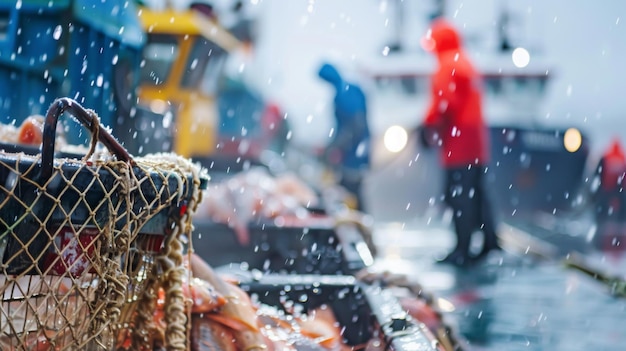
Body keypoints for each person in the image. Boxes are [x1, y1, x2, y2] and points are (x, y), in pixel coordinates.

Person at [419, 18, 500, 266]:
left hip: (458, 144)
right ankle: (489, 244)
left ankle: (462, 249)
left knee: (459, 196)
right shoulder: (467, 63)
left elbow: (445, 103)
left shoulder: (446, 65)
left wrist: (428, 125)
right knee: (477, 194)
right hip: (475, 142)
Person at [318, 62, 371, 212]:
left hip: (353, 152)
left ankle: (359, 224)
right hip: (358, 149)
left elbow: (354, 125)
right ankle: (361, 223)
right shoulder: (350, 89)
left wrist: (337, 147)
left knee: (351, 192)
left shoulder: (344, 93)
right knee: (350, 191)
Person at [589, 138, 626, 248]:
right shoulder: (621, 158)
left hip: (607, 188)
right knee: (621, 211)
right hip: (617, 188)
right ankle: (619, 221)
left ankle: (601, 221)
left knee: (601, 209)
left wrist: (596, 190)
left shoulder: (606, 157)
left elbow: (598, 173)